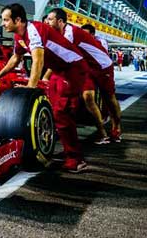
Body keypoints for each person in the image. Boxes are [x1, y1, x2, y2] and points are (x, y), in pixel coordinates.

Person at [0, 3, 89, 173]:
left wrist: (31, 87)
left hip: (73, 68)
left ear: (18, 20)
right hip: (59, 70)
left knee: (61, 114)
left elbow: (38, 59)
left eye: (6, 20)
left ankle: (76, 160)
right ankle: (68, 148)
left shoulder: (33, 29)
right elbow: (16, 58)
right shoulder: (18, 36)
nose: (3, 24)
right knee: (57, 112)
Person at [46, 9, 115, 144]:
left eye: (50, 19)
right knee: (80, 98)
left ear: (60, 21)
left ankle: (110, 129)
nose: (47, 23)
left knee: (101, 98)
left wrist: (45, 76)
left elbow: (60, 56)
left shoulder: (70, 34)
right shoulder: (54, 33)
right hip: (80, 68)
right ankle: (97, 132)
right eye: (46, 20)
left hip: (97, 66)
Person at [80, 23, 123, 142]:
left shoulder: (101, 41)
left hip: (103, 69)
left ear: (93, 35)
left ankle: (116, 126)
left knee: (109, 98)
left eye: (86, 35)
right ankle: (102, 132)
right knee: (87, 96)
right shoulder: (78, 40)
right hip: (88, 71)